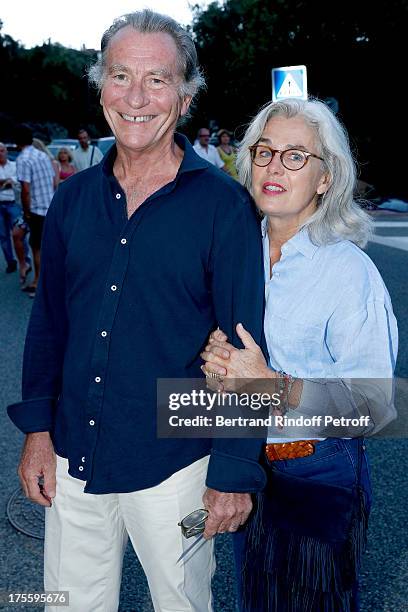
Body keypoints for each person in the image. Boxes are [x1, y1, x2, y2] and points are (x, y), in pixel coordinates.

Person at [7, 10, 266, 612]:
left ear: (186, 94)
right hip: (75, 457)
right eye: (121, 76)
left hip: (177, 466)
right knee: (69, 603)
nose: (137, 98)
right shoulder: (71, 202)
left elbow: (249, 350)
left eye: (157, 80)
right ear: (100, 86)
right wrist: (38, 436)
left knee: (181, 602)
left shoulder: (224, 207)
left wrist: (232, 470)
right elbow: (48, 327)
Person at [201, 98, 398, 611]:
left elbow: (376, 408)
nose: (273, 166)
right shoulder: (234, 253)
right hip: (245, 465)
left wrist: (272, 385)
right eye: (265, 151)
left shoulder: (348, 272)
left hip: (316, 474)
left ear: (325, 178)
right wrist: (215, 361)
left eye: (295, 156)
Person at [15, 127, 55, 298]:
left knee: (37, 248)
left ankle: (38, 282)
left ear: (17, 142)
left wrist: (27, 212)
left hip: (36, 210)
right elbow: (53, 180)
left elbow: (25, 190)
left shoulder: (23, 159)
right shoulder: (42, 155)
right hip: (49, 206)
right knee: (20, 235)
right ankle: (36, 276)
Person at [0, 142, 31, 281]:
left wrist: (8, 181)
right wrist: (6, 182)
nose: (0, 153)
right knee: (3, 235)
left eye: (2, 150)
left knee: (19, 233)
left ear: (6, 151)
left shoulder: (14, 165)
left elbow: (19, 181)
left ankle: (25, 259)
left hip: (13, 203)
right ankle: (10, 261)